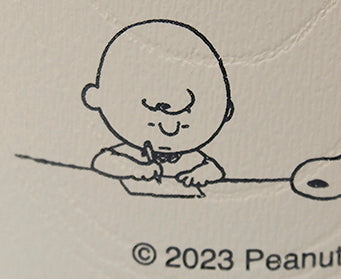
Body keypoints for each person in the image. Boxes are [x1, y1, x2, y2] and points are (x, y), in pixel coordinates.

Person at [82, 19, 234, 188]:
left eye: (182, 125)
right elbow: (102, 161)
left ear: (226, 111)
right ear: (97, 98)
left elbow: (214, 170)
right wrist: (135, 169)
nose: (169, 130)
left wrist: (200, 174)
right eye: (157, 123)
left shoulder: (189, 157)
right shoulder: (134, 151)